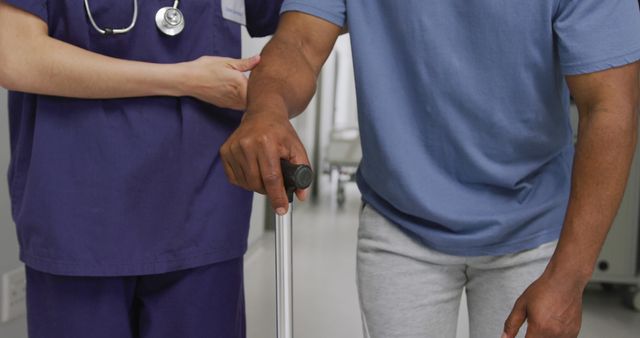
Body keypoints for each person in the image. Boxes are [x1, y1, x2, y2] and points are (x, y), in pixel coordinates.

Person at [220, 0, 640, 337]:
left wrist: (569, 280)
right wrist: (266, 108)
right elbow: (298, 44)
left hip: (531, 228)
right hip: (402, 221)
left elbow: (609, 106)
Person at [0, 0, 282, 337]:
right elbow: (16, 56)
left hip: (202, 207)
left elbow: (307, 16)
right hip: (81, 211)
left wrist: (272, 104)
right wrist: (184, 79)